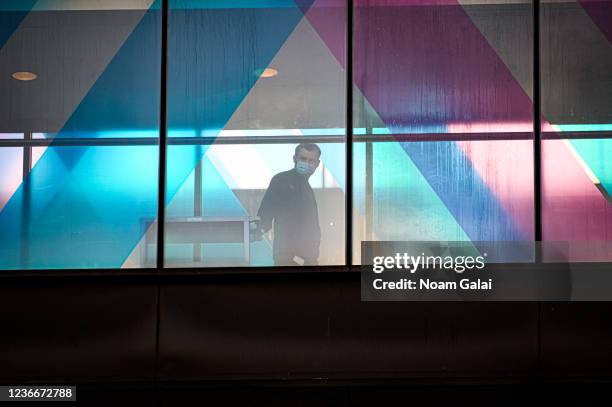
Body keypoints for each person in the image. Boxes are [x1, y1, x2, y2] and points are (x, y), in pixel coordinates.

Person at [254, 143, 322, 266]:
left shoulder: (306, 187)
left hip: (305, 259)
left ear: (317, 163)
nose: (307, 163)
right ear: (294, 159)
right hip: (289, 258)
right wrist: (256, 231)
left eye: (311, 160)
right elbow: (267, 213)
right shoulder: (282, 180)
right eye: (303, 159)